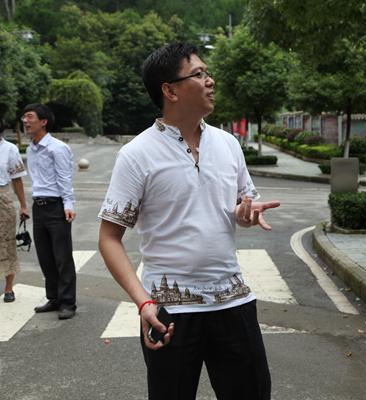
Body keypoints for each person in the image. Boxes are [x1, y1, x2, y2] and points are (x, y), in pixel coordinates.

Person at [98, 42, 280, 400]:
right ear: (170, 90)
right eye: (199, 74)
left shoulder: (228, 144)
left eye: (208, 72)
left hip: (233, 302)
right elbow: (109, 237)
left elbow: (239, 207)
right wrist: (144, 302)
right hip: (169, 311)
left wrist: (245, 214)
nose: (210, 80)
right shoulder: (136, 155)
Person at [23, 103, 77, 320]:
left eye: (29, 117)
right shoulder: (31, 149)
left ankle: (68, 302)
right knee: (45, 256)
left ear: (43, 121)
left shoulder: (57, 148)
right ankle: (54, 298)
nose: (25, 121)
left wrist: (68, 204)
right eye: (24, 117)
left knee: (62, 257)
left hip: (56, 206)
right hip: (39, 207)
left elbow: (65, 177)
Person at [0, 120, 29, 302]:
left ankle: (9, 287)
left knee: (7, 243)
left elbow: (17, 179)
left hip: (3, 199)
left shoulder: (10, 149)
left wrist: (23, 205)